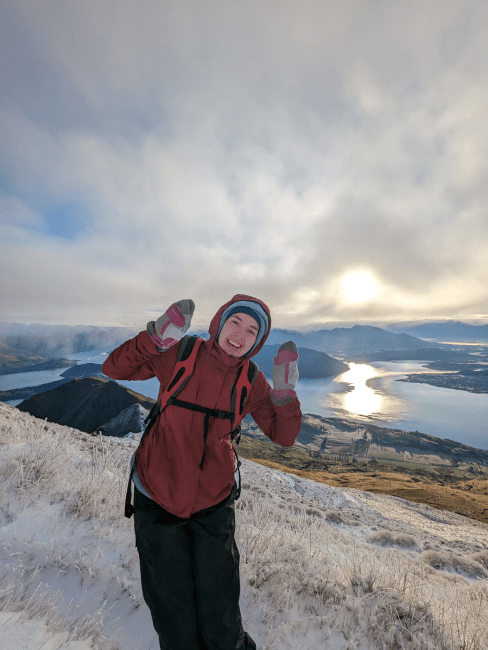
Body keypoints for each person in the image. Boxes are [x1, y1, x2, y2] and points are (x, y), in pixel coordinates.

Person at [102, 294, 301, 650]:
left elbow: (283, 436)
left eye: (252, 331)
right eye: (236, 322)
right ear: (220, 323)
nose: (240, 335)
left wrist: (284, 393)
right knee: (173, 614)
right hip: (157, 496)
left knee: (221, 612)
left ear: (257, 342)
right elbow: (114, 368)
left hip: (213, 504)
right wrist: (155, 338)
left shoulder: (251, 380)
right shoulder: (180, 353)